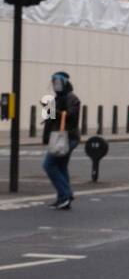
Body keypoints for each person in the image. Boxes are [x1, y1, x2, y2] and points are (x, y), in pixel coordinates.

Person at [41, 71, 81, 209]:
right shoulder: (56, 99)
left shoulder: (72, 98)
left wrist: (54, 111)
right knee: (61, 167)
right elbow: (50, 120)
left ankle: (65, 195)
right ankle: (63, 198)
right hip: (59, 137)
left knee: (49, 165)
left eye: (57, 82)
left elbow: (72, 117)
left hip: (68, 137)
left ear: (64, 82)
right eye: (53, 82)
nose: (54, 85)